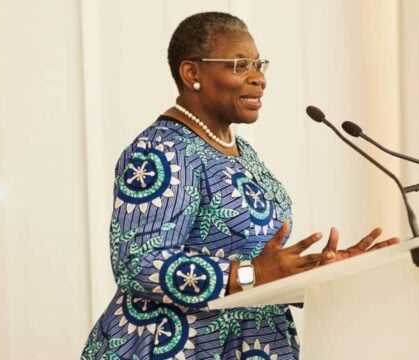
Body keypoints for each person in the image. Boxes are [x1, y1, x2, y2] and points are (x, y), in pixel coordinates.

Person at [81, 12, 399, 360]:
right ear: (192, 73)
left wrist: (315, 270)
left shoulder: (239, 150)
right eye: (239, 65)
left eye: (259, 65)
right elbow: (138, 263)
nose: (258, 79)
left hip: (252, 341)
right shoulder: (161, 150)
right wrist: (249, 274)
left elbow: (259, 266)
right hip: (175, 346)